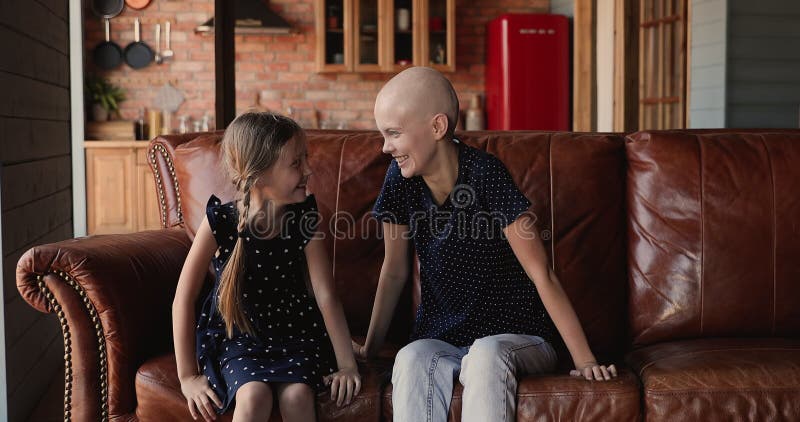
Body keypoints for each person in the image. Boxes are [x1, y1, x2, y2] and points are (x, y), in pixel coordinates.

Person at [352, 67, 618, 422]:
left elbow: (542, 274)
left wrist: (585, 360)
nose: (385, 147)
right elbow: (394, 272)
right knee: (411, 357)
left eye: (394, 133)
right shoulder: (401, 181)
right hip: (443, 337)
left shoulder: (486, 174)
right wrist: (370, 349)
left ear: (437, 127)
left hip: (518, 335)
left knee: (486, 354)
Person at [173, 112, 361, 422]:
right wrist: (186, 377)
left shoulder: (304, 219)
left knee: (298, 397)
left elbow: (326, 295)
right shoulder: (220, 221)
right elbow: (183, 298)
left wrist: (347, 365)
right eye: (296, 163)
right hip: (239, 337)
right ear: (259, 174)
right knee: (252, 397)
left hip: (297, 335)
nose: (309, 170)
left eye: (306, 159)